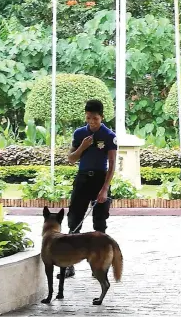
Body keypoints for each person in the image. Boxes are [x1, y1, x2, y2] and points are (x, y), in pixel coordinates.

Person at [61, 99, 117, 278]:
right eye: (88, 118)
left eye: (95, 118)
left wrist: (104, 189)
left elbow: (112, 164)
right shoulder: (79, 134)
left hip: (100, 179)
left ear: (102, 117)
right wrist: (83, 147)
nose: (91, 121)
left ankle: (100, 266)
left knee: (99, 225)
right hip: (83, 179)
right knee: (74, 221)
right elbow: (71, 159)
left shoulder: (109, 135)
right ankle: (69, 264)